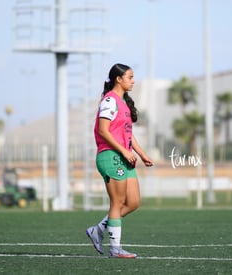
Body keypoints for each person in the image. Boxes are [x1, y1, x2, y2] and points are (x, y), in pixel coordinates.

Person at [86, 63, 154, 258]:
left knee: (133, 202)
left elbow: (128, 134)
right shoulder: (109, 101)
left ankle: (97, 230)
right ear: (118, 79)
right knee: (117, 202)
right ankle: (115, 249)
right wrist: (124, 151)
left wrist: (142, 154)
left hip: (125, 157)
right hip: (111, 155)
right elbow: (103, 131)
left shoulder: (124, 103)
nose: (133, 81)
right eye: (130, 77)